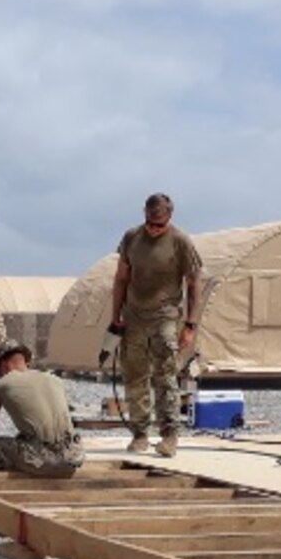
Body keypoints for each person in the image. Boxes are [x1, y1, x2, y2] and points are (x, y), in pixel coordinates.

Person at [108, 192, 203, 456]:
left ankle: (169, 434)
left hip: (165, 316)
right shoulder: (131, 238)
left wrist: (190, 325)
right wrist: (115, 316)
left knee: (165, 375)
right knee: (135, 376)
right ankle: (139, 434)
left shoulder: (180, 242)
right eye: (150, 222)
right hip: (134, 316)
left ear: (169, 218)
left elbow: (194, 284)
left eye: (159, 225)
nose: (153, 229)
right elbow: (121, 279)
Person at [0, 340, 84, 476]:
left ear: (3, 365)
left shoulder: (2, 384)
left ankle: (5, 490)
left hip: (45, 461)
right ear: (25, 361)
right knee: (24, 439)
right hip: (72, 458)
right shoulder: (55, 380)